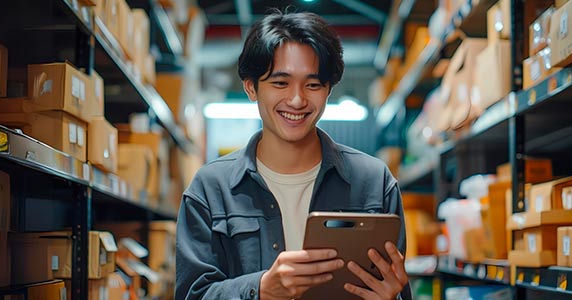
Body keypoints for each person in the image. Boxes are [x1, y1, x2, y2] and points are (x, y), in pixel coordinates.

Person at [176, 10, 411, 300]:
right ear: (251, 87)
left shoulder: (375, 182)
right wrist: (261, 289)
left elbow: (397, 288)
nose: (297, 100)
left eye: (312, 85)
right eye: (280, 83)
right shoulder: (210, 189)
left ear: (328, 90)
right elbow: (192, 294)